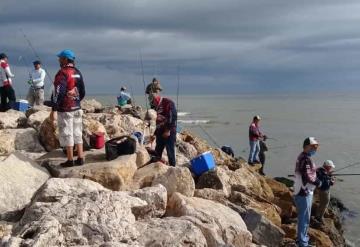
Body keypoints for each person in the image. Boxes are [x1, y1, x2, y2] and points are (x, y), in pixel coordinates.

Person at [50, 49, 86, 167]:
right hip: (77, 108)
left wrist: (54, 109)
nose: (59, 60)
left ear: (65, 59)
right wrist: (76, 101)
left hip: (66, 109)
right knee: (77, 132)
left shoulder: (62, 73)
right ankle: (80, 158)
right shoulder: (77, 72)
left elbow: (58, 93)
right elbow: (83, 91)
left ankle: (70, 160)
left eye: (60, 58)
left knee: (67, 133)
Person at [294, 137, 322, 247]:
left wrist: (316, 170)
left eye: (316, 147)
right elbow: (308, 176)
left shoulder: (305, 157)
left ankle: (303, 240)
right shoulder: (305, 159)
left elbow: (309, 172)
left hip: (305, 192)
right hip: (303, 192)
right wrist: (319, 182)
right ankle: (302, 243)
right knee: (304, 218)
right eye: (313, 147)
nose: (315, 149)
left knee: (305, 217)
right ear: (306, 146)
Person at [149, 89, 177, 166]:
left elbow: (173, 116)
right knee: (158, 149)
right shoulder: (156, 107)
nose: (153, 104)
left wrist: (167, 130)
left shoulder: (168, 102)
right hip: (160, 131)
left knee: (170, 151)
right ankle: (155, 165)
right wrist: (154, 134)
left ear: (156, 99)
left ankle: (173, 167)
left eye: (153, 102)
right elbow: (157, 121)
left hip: (169, 131)